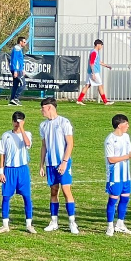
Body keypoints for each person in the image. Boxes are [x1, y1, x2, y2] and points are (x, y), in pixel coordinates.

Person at [38, 96, 78, 234]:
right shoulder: (43, 125)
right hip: (50, 165)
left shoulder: (64, 122)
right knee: (53, 192)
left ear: (50, 107)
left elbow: (70, 143)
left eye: (42, 108)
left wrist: (64, 162)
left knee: (67, 191)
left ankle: (72, 222)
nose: (41, 111)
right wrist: (41, 165)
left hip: (63, 163)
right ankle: (54, 221)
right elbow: (44, 146)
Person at [0, 110, 35, 234]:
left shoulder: (27, 134)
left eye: (19, 122)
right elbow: (2, 154)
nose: (16, 124)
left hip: (23, 170)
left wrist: (22, 128)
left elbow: (27, 144)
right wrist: (1, 171)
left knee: (27, 197)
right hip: (9, 170)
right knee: (6, 197)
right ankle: (5, 224)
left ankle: (29, 224)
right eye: (15, 121)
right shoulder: (6, 135)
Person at [104, 113, 131, 237]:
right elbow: (111, 159)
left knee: (125, 198)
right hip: (115, 176)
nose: (128, 126)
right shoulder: (110, 140)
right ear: (120, 125)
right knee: (113, 200)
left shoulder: (126, 137)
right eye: (126, 123)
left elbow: (130, 151)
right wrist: (127, 156)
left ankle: (120, 224)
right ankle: (109, 226)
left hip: (126, 175)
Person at [77, 39, 110, 105]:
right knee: (100, 86)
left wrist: (106, 65)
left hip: (91, 72)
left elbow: (97, 62)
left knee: (87, 86)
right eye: (101, 45)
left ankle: (79, 100)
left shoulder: (94, 52)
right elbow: (91, 63)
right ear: (98, 45)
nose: (101, 47)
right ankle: (105, 101)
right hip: (94, 72)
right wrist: (93, 73)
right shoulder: (94, 52)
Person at [8, 35, 27, 106]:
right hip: (17, 69)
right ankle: (16, 99)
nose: (25, 43)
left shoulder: (19, 49)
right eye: (24, 42)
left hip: (19, 69)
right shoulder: (17, 48)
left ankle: (12, 100)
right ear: (20, 42)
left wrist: (23, 69)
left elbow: (20, 60)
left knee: (15, 85)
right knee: (23, 84)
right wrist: (15, 70)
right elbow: (15, 60)